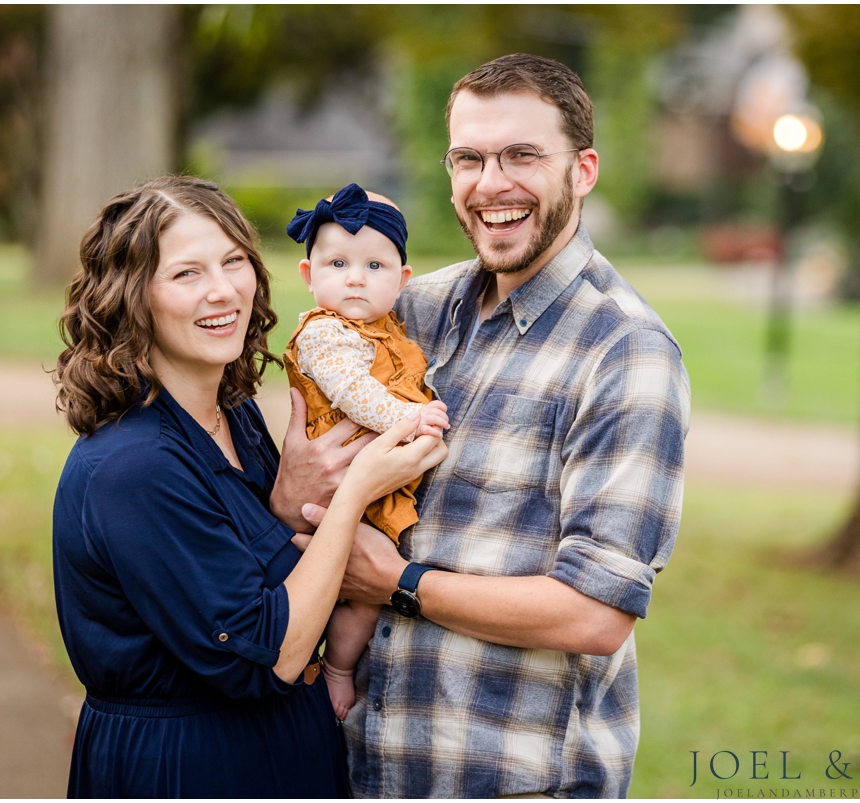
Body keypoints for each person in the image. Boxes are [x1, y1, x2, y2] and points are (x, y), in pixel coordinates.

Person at [283, 54, 690, 798]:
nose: (491, 182)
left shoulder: (625, 352)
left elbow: (596, 613)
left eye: (523, 155)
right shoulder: (410, 309)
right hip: (362, 763)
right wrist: (298, 490)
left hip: (507, 775)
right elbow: (304, 457)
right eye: (469, 157)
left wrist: (399, 582)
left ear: (584, 170)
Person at [51, 175, 446, 798]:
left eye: (234, 261)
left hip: (287, 748)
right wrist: (357, 490)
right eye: (186, 274)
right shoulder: (133, 468)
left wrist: (288, 506)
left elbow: (254, 565)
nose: (223, 291)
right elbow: (266, 653)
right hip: (190, 767)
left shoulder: (232, 415)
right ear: (133, 298)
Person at [282, 182, 450, 719]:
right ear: (309, 277)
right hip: (343, 490)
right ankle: (332, 670)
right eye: (337, 263)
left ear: (402, 282)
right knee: (351, 591)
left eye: (375, 267)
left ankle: (338, 668)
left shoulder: (388, 328)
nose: (355, 277)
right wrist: (410, 418)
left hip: (375, 483)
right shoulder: (323, 335)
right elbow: (353, 391)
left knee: (366, 596)